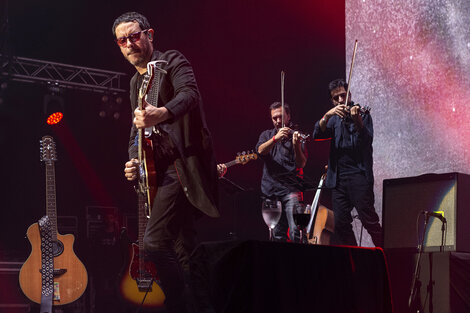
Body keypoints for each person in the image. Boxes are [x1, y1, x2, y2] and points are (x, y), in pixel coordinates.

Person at [113, 12, 219, 313]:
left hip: (182, 167)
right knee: (185, 251)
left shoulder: (171, 61)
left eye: (134, 35)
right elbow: (136, 130)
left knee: (154, 243)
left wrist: (161, 113)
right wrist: (133, 162)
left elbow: (190, 95)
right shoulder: (135, 82)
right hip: (158, 175)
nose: (130, 43)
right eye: (123, 40)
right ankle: (203, 306)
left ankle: (177, 306)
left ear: (149, 34)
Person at [313, 78, 383, 247]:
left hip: (358, 177)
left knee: (369, 221)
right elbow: (317, 133)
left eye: (343, 96)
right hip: (338, 180)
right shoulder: (334, 118)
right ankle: (355, 256)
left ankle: (385, 254)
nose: (340, 100)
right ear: (332, 100)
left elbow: (367, 140)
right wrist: (328, 114)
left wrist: (357, 119)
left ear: (349, 95)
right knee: (341, 223)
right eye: (335, 98)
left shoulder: (363, 114)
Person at [256, 102, 307, 242]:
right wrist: (275, 139)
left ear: (289, 116)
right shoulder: (266, 135)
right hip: (271, 192)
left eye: (281, 117)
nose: (278, 121)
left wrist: (296, 145)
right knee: (277, 236)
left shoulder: (297, 135)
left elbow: (301, 163)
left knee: (297, 232)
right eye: (275, 118)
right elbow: (260, 151)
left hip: (291, 191)